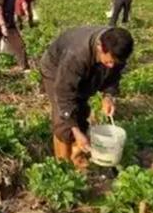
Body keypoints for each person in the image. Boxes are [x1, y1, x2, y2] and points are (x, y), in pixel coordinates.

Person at [39, 26, 134, 170]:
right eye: (109, 61)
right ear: (100, 47)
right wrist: (75, 130)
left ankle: (77, 158)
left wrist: (108, 96)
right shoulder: (77, 55)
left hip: (86, 67)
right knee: (64, 122)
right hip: (56, 70)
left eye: (116, 63)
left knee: (81, 111)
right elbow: (64, 94)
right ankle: (63, 166)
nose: (112, 65)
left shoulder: (117, 50)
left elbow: (113, 77)